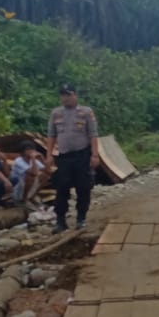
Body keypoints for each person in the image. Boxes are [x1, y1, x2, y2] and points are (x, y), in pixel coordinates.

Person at [46, 83, 101, 233]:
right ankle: (60, 221)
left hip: (82, 155)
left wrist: (95, 155)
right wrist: (49, 155)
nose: (66, 98)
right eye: (63, 95)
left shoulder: (86, 112)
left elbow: (93, 135)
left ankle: (81, 218)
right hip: (63, 156)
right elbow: (51, 135)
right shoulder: (56, 113)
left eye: (69, 94)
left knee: (83, 188)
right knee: (61, 188)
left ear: (76, 95)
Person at [10, 143, 48, 209]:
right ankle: (24, 200)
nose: (31, 151)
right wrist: (33, 158)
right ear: (23, 151)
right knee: (30, 177)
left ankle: (32, 196)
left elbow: (48, 171)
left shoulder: (33, 161)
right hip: (18, 186)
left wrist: (42, 158)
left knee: (45, 176)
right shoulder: (18, 161)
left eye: (32, 149)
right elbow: (33, 173)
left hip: (28, 186)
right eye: (28, 149)